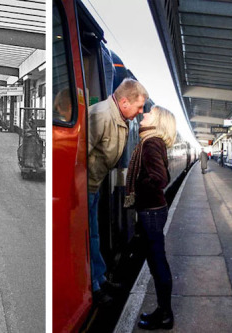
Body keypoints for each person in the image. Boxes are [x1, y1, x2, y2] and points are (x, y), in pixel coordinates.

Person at [88, 78, 149, 304]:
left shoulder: (119, 117)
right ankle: (94, 286)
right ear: (124, 102)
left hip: (95, 186)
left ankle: (100, 279)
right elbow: (77, 155)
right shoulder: (101, 116)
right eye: (139, 107)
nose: (141, 112)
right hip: (84, 188)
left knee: (94, 235)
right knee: (88, 236)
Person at [124, 105, 176, 330]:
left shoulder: (151, 143)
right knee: (153, 261)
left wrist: (138, 186)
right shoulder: (152, 141)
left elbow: (160, 178)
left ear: (158, 121)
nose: (143, 115)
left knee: (157, 263)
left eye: (149, 113)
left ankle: (165, 315)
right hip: (154, 210)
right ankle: (162, 311)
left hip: (152, 212)